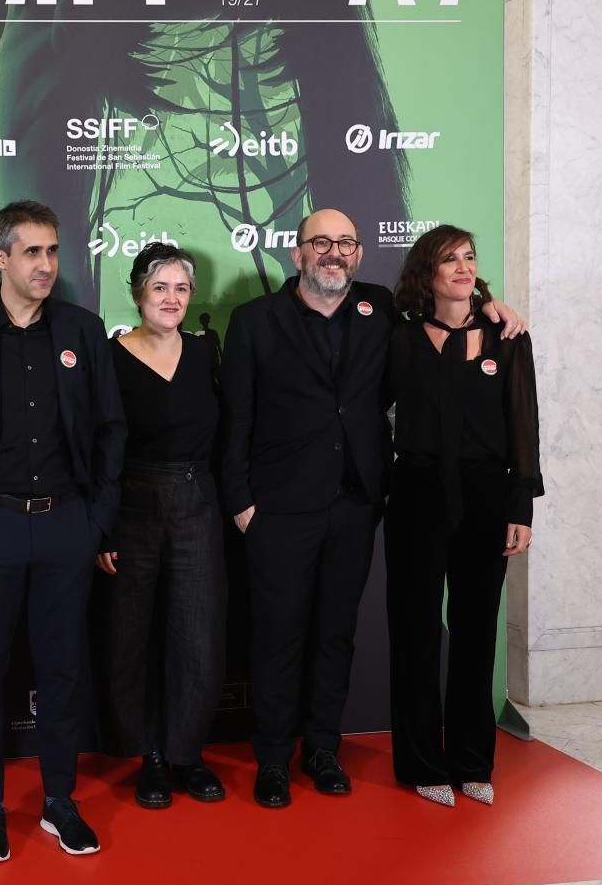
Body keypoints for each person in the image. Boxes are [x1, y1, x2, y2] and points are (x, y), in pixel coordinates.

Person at [220, 207, 521, 809]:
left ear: (358, 254)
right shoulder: (255, 320)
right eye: (322, 243)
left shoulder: (380, 309)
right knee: (278, 636)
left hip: (355, 503)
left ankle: (322, 752)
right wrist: (240, 501)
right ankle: (273, 760)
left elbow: (447, 312)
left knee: (336, 634)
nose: (335, 253)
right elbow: (236, 417)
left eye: (346, 243)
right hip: (278, 507)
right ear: (298, 252)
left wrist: (492, 304)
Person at [0, 200, 126, 862]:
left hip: (66, 524)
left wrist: (96, 520)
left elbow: (111, 429)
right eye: (32, 252)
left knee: (63, 668)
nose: (46, 264)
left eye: (53, 251)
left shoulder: (83, 331)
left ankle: (60, 799)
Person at [384, 225, 542, 807]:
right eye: (449, 259)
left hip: (486, 498)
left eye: (469, 257)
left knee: (476, 632)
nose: (463, 267)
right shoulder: (398, 338)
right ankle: (421, 762)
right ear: (426, 272)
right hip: (416, 495)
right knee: (415, 631)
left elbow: (524, 425)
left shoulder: (507, 337)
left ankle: (473, 760)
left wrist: (521, 505)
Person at [92, 243, 227, 808]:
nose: (171, 299)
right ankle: (148, 754)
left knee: (197, 634)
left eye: (181, 288)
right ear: (137, 293)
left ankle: (186, 754)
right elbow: (98, 447)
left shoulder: (205, 351)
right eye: (160, 287)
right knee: (133, 634)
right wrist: (102, 528)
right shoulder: (110, 357)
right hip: (132, 505)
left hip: (197, 500)